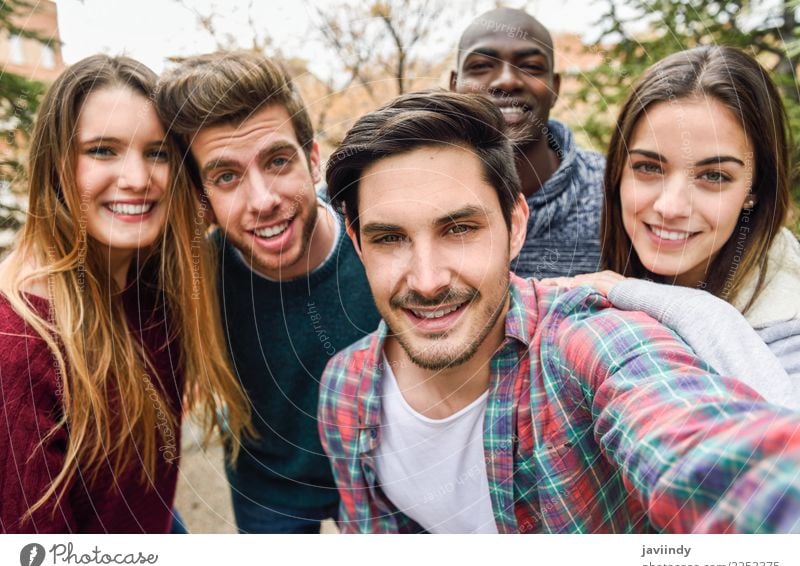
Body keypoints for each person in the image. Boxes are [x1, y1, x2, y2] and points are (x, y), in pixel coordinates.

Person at [319, 90, 800, 534]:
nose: (427, 281)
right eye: (390, 238)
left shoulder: (593, 343)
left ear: (516, 225)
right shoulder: (344, 389)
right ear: (358, 243)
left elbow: (710, 453)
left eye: (460, 229)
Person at [0, 55, 251, 533]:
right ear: (55, 164)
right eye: (102, 150)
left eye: (157, 153)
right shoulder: (17, 344)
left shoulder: (155, 285)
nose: (137, 179)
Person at [156, 51, 381, 534]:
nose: (263, 200)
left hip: (380, 480)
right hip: (267, 490)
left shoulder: (379, 241)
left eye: (278, 160)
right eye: (226, 176)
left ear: (313, 159)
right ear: (203, 200)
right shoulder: (194, 282)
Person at [544, 46, 800, 394]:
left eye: (715, 176)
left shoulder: (788, 321)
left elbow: (785, 434)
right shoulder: (589, 263)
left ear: (754, 189)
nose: (671, 206)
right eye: (648, 167)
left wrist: (682, 308)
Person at [450, 7, 604, 278]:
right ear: (454, 86)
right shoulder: (418, 191)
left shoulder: (612, 190)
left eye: (531, 67)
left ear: (555, 87)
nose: (507, 81)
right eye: (481, 66)